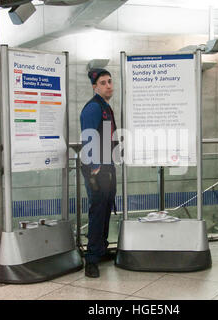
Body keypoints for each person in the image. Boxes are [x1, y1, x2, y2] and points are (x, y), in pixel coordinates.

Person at [80, 68, 118, 278]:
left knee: (105, 209)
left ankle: (101, 251)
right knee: (97, 211)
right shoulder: (93, 108)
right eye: (103, 82)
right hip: (97, 168)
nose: (108, 85)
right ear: (95, 87)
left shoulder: (105, 107)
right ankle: (91, 261)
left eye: (110, 81)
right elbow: (88, 138)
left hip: (107, 166)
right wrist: (95, 168)